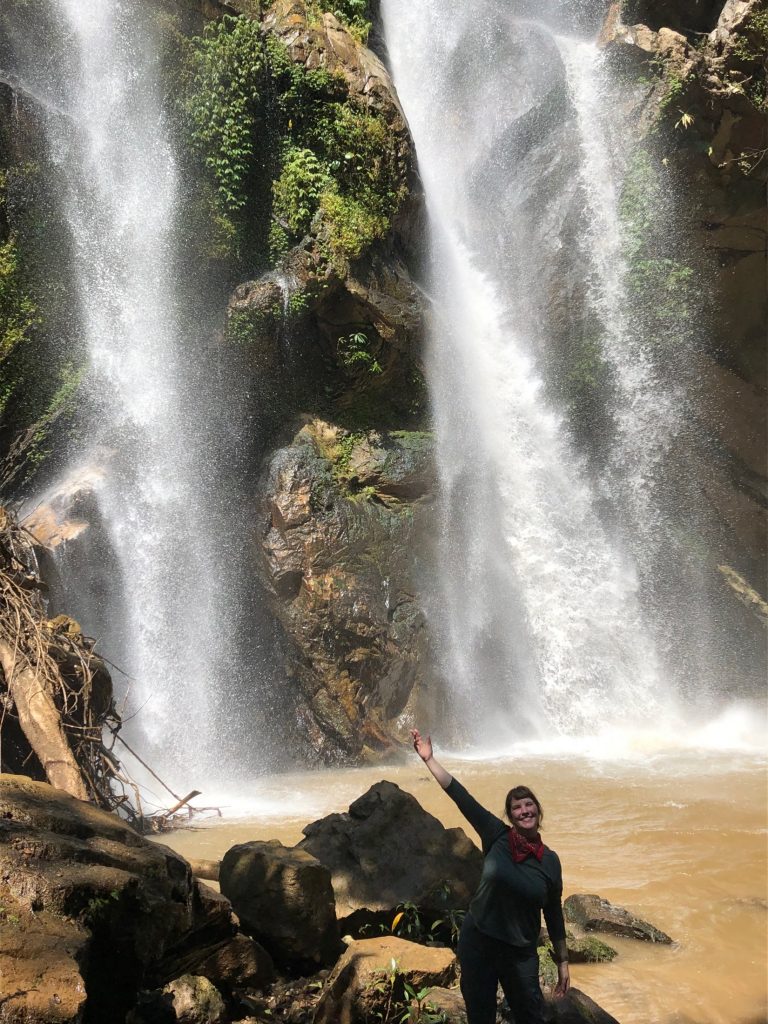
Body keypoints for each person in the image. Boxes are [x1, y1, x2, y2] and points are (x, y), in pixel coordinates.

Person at [411, 729, 569, 1024]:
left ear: (538, 810)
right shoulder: (496, 835)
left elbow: (554, 912)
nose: (524, 810)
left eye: (528, 804)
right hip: (479, 941)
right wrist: (429, 759)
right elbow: (460, 796)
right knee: (480, 1017)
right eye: (517, 807)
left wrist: (562, 961)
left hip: (520, 953)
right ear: (510, 816)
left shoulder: (550, 862)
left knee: (530, 1017)